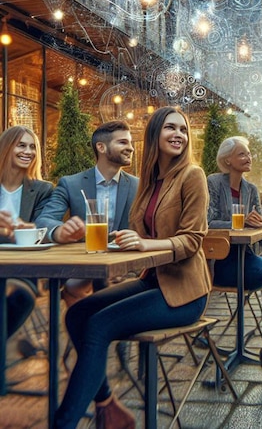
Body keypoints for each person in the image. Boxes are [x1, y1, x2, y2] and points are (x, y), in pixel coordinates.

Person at [53, 106, 210, 429]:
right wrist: (124, 238)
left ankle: (63, 423)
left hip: (183, 293)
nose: (178, 134)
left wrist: (144, 244)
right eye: (170, 128)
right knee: (78, 314)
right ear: (154, 134)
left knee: (99, 326)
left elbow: (192, 240)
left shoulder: (192, 175)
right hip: (152, 281)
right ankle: (107, 405)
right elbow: (140, 231)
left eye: (183, 129)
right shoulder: (149, 182)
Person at [207, 136, 262, 385]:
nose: (249, 158)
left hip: (247, 259)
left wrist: (259, 222)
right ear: (228, 160)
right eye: (242, 154)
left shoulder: (251, 189)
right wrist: (240, 222)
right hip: (223, 264)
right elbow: (207, 221)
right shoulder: (213, 182)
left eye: (249, 154)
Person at [35, 120, 138, 305]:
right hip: (84, 266)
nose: (130, 148)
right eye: (123, 142)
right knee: (76, 287)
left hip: (127, 268)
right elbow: (43, 220)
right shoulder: (71, 183)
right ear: (101, 147)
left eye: (130, 143)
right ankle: (83, 332)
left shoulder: (140, 186)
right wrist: (60, 231)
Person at [0, 126, 53, 347]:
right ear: (6, 147)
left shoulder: (43, 190)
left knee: (21, 297)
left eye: (32, 147)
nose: (28, 151)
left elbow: (45, 228)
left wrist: (23, 228)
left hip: (22, 270)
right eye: (21, 145)